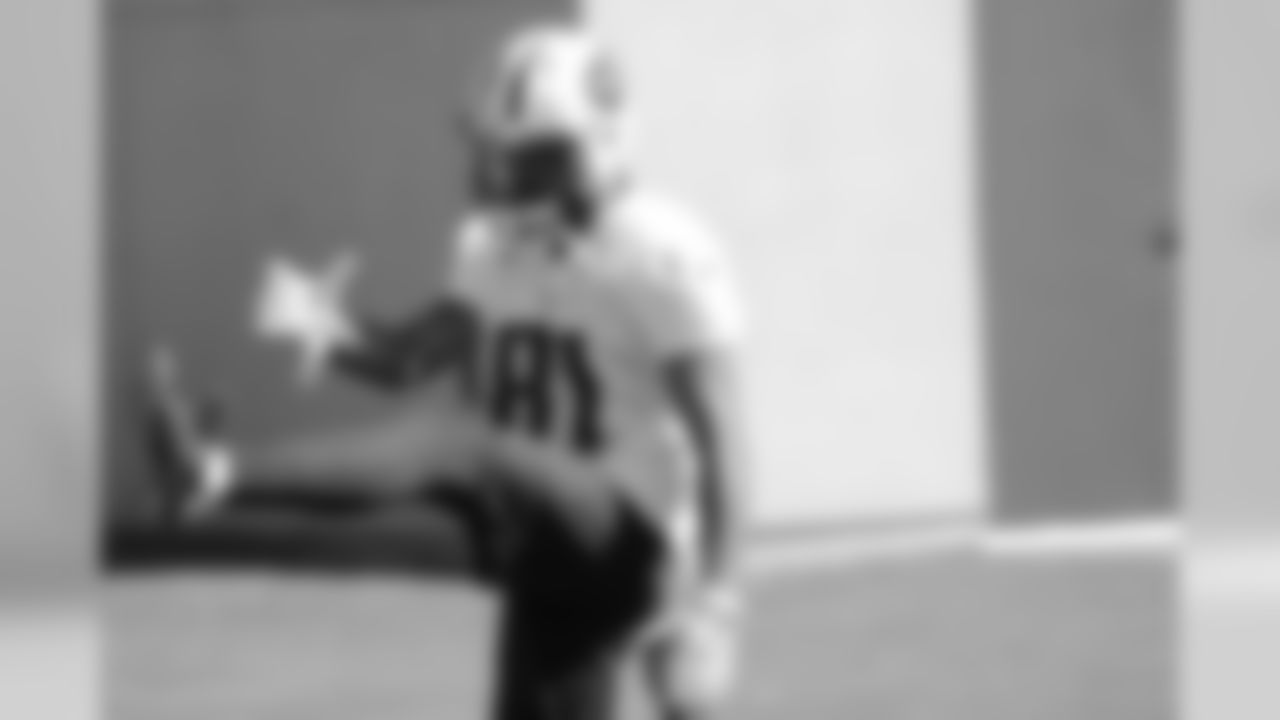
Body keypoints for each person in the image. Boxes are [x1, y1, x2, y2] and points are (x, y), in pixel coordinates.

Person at [143, 22, 751, 720]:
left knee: (461, 445)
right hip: (538, 542)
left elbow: (722, 436)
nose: (509, 172)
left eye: (536, 155)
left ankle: (213, 471)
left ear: (603, 144)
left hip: (620, 536)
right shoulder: (490, 248)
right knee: (428, 491)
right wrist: (312, 318)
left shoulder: (662, 251)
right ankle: (213, 477)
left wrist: (718, 608)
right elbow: (410, 359)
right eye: (503, 151)